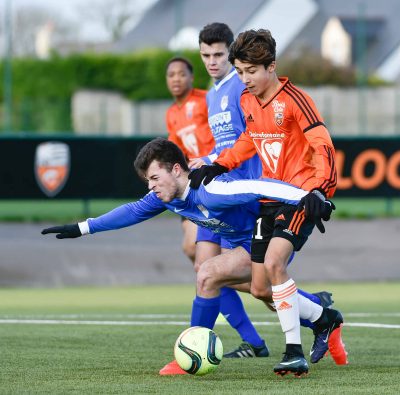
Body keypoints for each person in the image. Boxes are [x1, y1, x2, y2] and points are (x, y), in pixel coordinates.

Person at [41, 138, 340, 377]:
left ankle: (190, 353)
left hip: (267, 236)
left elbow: (258, 186)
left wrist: (310, 196)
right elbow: (131, 211)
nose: (151, 186)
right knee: (261, 291)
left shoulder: (210, 189)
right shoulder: (166, 197)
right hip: (244, 248)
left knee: (208, 273)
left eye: (155, 177)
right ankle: (322, 317)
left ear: (175, 170)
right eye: (147, 180)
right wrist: (81, 228)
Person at [189, 29, 347, 376]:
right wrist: (219, 164)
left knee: (275, 262)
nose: (245, 80)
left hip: (301, 195)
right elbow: (249, 139)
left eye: (252, 72)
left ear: (271, 67)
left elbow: (323, 146)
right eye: (241, 72)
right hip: (269, 198)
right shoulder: (247, 101)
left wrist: (321, 190)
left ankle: (293, 352)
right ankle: (325, 318)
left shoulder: (295, 99)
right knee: (261, 288)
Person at [188, 22, 268, 360]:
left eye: (218, 54)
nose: (212, 61)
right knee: (206, 272)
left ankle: (310, 307)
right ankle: (253, 340)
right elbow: (224, 144)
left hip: (242, 195)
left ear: (230, 52)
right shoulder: (212, 94)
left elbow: (247, 141)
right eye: (206, 55)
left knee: (258, 280)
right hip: (218, 188)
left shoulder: (242, 86)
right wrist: (204, 160)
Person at [165, 56, 214, 263]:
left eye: (182, 74)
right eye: (171, 75)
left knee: (203, 259)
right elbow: (176, 153)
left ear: (192, 78)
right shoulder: (171, 114)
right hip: (193, 186)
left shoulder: (205, 100)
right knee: (192, 251)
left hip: (214, 178)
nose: (176, 79)